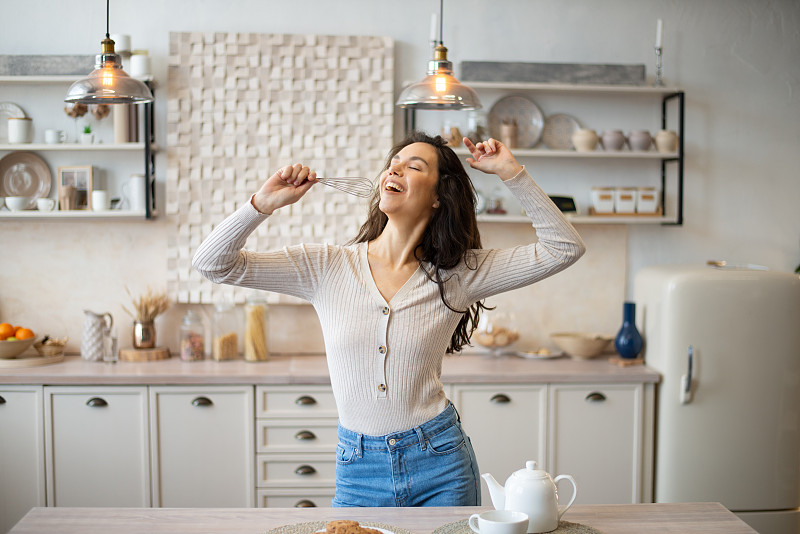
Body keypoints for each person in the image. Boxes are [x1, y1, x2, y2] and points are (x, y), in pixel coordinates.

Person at [193, 131, 585, 507]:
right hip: (358, 470)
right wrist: (261, 204)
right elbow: (212, 263)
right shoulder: (325, 266)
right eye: (392, 164)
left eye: (413, 167)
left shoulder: (461, 272)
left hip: (441, 463)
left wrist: (510, 173)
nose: (394, 171)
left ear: (437, 197)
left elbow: (563, 248)